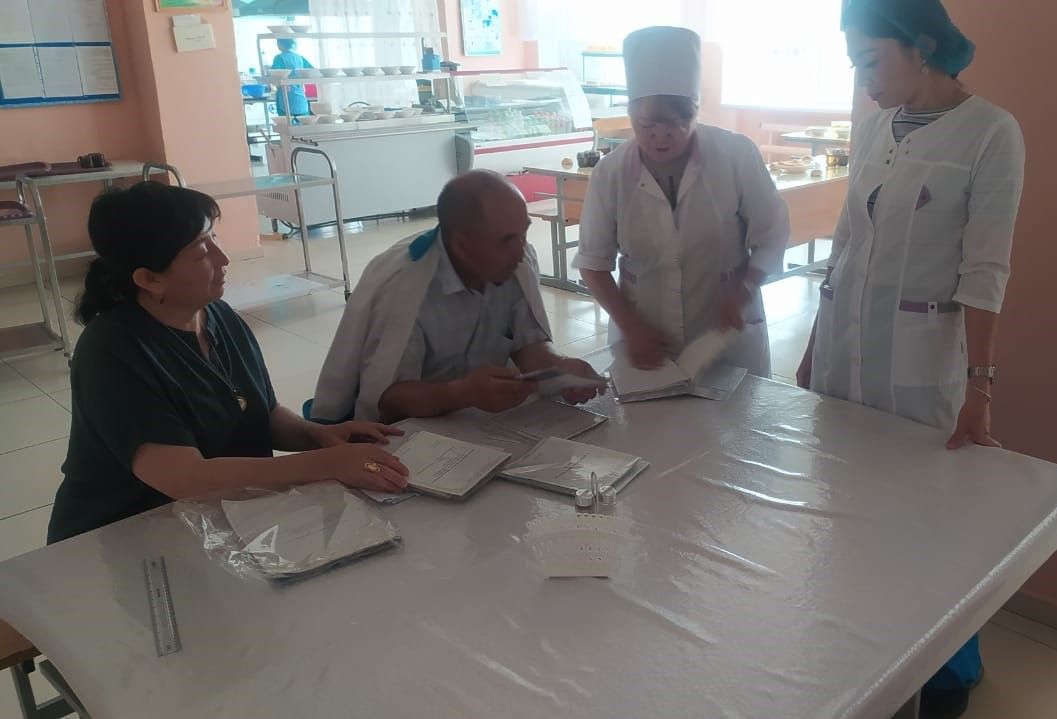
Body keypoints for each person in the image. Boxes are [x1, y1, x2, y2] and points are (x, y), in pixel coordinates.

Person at [797, 1, 1026, 717]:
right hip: (844, 350)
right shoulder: (875, 127)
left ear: (922, 47)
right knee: (848, 500)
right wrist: (813, 346)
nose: (863, 80)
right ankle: (860, 647)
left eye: (870, 60)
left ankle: (949, 670)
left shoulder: (991, 132)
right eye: (854, 64)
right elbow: (844, 245)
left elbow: (985, 270)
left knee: (930, 523)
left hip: (922, 361)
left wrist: (980, 388)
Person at [47, 183, 409, 544]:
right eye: (201, 252)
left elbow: (262, 413)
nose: (223, 259)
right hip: (124, 537)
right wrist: (325, 465)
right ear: (149, 278)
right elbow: (186, 478)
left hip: (223, 522)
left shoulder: (216, 314)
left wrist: (318, 437)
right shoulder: (111, 351)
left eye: (214, 238)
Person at [574, 26, 790, 377]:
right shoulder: (611, 173)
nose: (660, 138)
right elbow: (593, 264)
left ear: (695, 113)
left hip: (725, 338)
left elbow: (773, 235)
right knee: (650, 412)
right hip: (645, 339)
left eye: (675, 125)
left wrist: (744, 288)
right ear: (631, 114)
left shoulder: (735, 155)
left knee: (736, 411)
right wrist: (632, 327)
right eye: (646, 125)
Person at [310, 170, 603, 424]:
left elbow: (527, 343)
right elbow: (387, 401)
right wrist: (461, 393)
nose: (520, 250)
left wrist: (559, 368)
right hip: (417, 431)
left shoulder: (515, 263)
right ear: (462, 246)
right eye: (506, 241)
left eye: (523, 234)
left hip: (484, 423)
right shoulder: (407, 289)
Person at [272, 38, 314, 116]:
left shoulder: (279, 58)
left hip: (285, 95)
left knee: (285, 121)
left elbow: (275, 75)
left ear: (279, 44)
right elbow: (312, 71)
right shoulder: (300, 58)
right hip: (300, 95)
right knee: (304, 121)